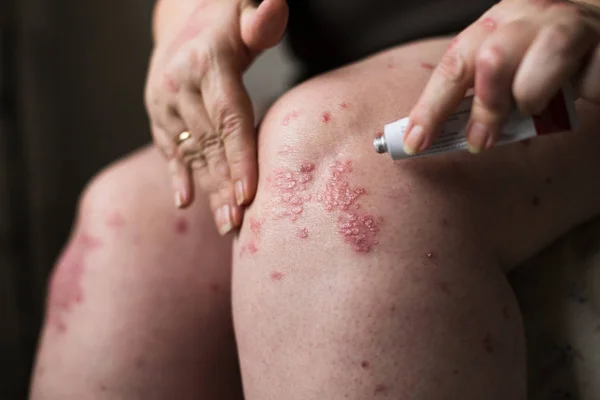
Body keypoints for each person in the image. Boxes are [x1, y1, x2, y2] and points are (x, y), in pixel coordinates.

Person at [30, 0, 600, 399]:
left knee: (336, 179)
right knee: (126, 220)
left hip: (561, 61)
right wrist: (190, 17)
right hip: (347, 72)